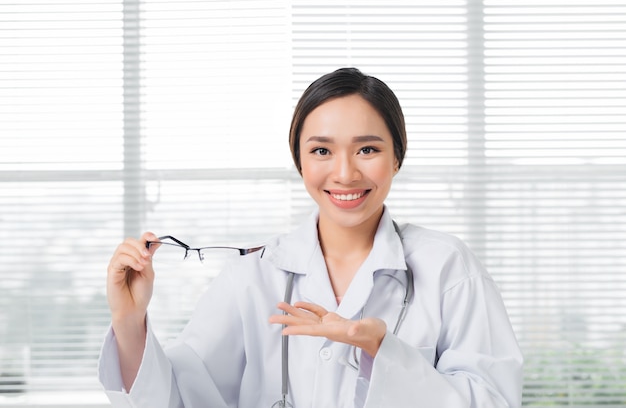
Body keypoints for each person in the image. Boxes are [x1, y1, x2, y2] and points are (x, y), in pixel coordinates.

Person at [99, 67, 523, 407]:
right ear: (299, 160)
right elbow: (178, 396)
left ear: (397, 157)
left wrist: (382, 350)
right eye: (322, 150)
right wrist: (129, 321)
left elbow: (493, 399)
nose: (344, 173)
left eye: (367, 149)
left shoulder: (448, 267)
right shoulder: (253, 277)